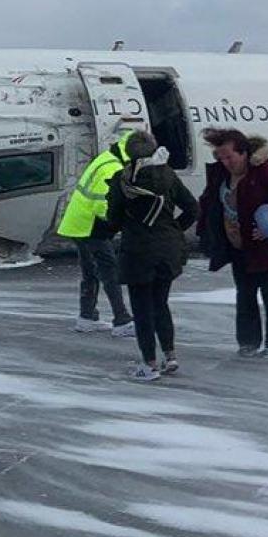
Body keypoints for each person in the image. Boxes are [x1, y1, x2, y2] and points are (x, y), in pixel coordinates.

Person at [197, 127, 268, 357]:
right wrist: (205, 229)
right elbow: (209, 200)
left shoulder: (264, 171)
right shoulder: (220, 174)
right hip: (237, 246)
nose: (225, 162)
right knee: (244, 293)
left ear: (243, 153)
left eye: (229, 157)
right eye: (221, 157)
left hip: (266, 246)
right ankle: (248, 342)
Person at [104, 131, 198, 381]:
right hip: (168, 250)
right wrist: (174, 229)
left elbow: (112, 219)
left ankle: (149, 363)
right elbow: (192, 208)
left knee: (142, 308)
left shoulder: (122, 180)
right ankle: (170, 355)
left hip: (138, 251)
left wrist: (113, 228)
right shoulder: (168, 175)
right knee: (160, 303)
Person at [57, 131, 137, 336]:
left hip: (78, 223)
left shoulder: (106, 157)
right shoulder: (114, 168)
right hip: (92, 227)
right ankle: (122, 319)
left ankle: (87, 316)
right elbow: (103, 203)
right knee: (109, 271)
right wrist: (119, 223)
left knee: (90, 272)